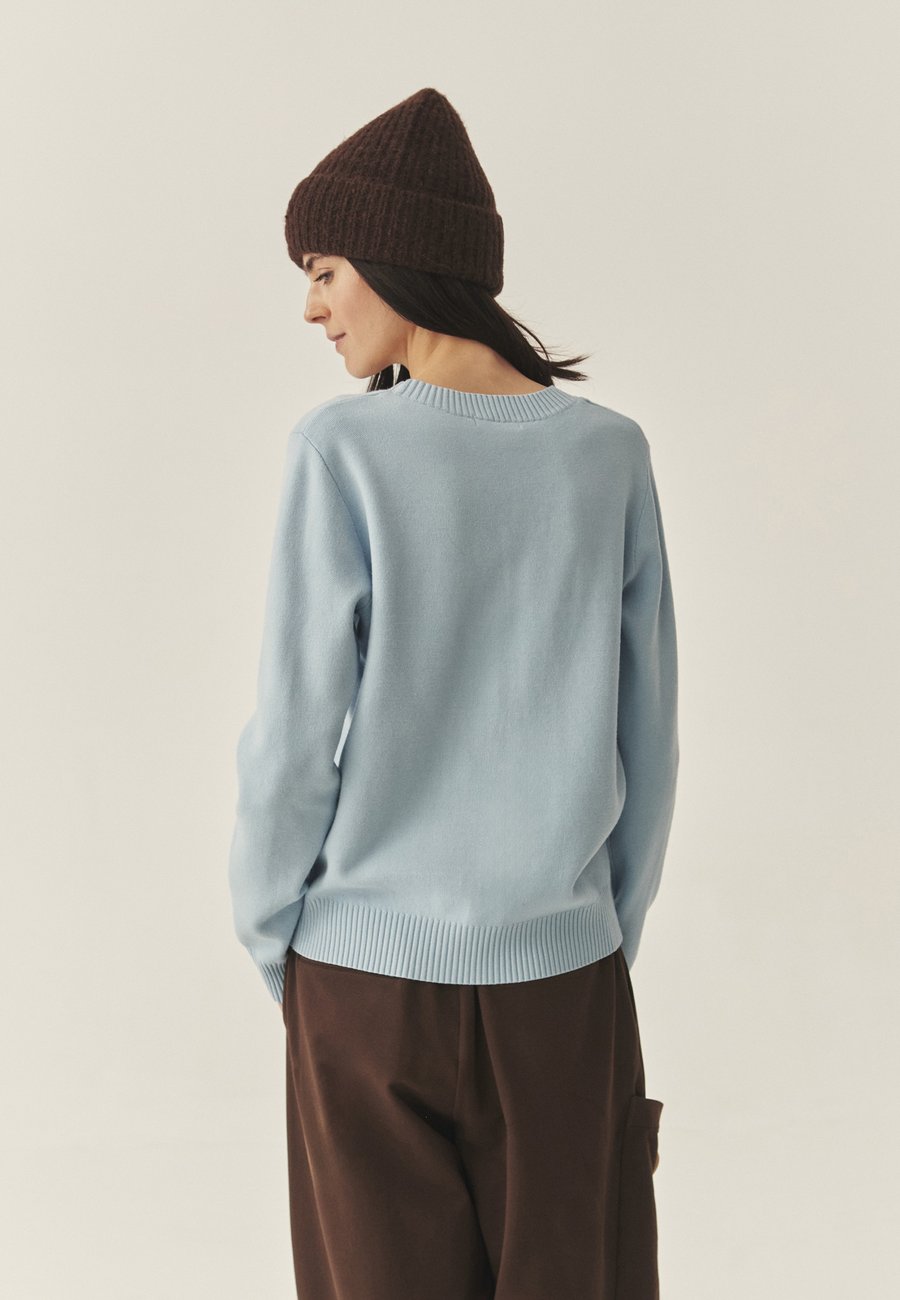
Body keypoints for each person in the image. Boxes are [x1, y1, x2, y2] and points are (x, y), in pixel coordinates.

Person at [227, 86, 679, 1300]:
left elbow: (292, 737)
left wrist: (284, 944)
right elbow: (649, 738)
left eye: (325, 271)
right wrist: (591, 940)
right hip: (563, 990)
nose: (312, 306)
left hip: (362, 990)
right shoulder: (608, 455)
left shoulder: (342, 452)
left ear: (399, 258)